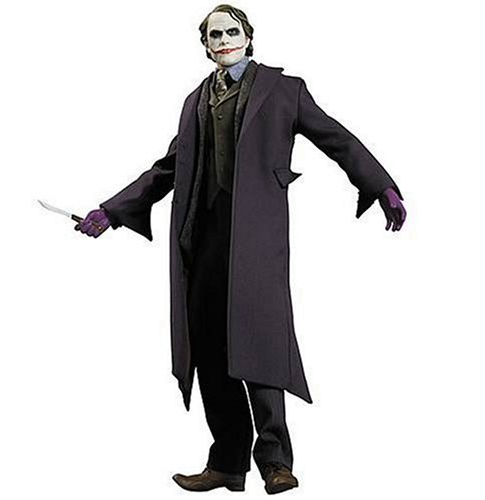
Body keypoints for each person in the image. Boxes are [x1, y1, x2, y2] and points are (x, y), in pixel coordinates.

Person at [75, 4, 407, 495]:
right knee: (210, 348)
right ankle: (228, 463)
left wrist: (380, 185)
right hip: (203, 239)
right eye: (215, 35)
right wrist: (113, 211)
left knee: (262, 345)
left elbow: (336, 138)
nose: (224, 39)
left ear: (248, 37)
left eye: (232, 31)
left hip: (257, 240)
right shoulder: (195, 101)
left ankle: (275, 461)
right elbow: (168, 168)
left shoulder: (283, 90)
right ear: (205, 45)